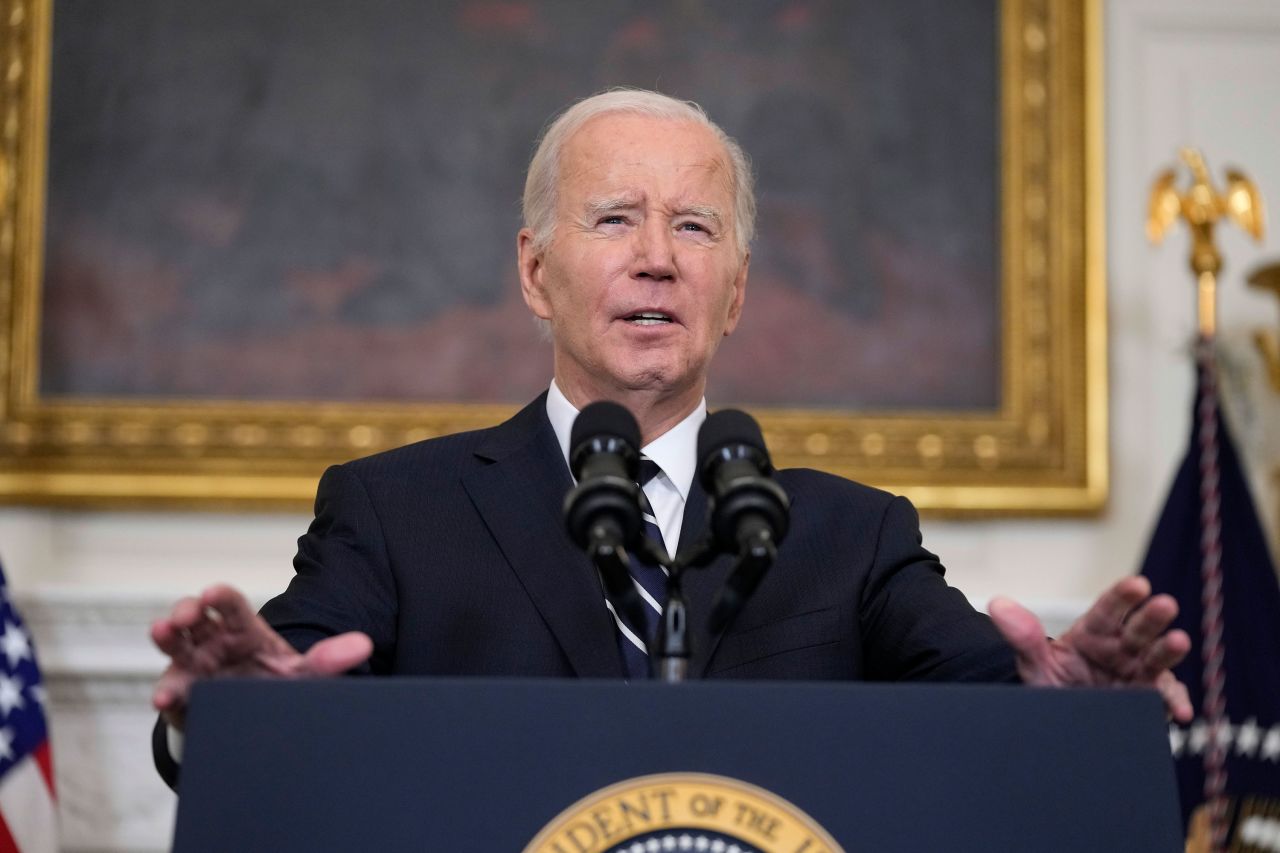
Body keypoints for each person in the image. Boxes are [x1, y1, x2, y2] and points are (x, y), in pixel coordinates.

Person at [150, 88, 1192, 789]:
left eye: (692, 227)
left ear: (733, 292)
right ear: (531, 271)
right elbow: (280, 684)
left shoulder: (850, 537)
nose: (656, 259)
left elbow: (988, 711)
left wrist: (1066, 713)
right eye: (613, 220)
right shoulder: (396, 512)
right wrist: (235, 716)